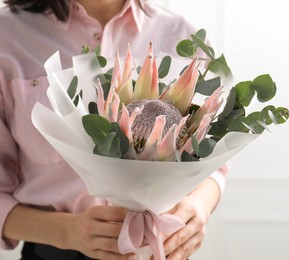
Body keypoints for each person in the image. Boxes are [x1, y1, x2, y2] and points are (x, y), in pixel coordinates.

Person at [0, 0, 228, 259]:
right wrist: (67, 232)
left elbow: (213, 163)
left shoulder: (183, 35)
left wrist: (199, 207)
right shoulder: (6, 35)